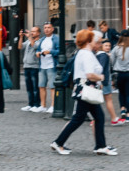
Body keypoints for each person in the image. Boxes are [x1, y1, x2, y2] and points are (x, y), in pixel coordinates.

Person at [49, 28, 117, 156]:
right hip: (87, 89)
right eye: (93, 39)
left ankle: (100, 146)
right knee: (80, 118)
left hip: (85, 89)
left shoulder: (83, 53)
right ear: (88, 40)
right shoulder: (86, 54)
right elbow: (90, 74)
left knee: (96, 117)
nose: (96, 42)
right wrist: (101, 77)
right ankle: (59, 142)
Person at [36, 22, 59, 113]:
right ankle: (43, 105)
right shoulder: (42, 39)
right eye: (45, 28)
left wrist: (50, 52)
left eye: (49, 27)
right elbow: (38, 50)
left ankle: (53, 105)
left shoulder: (56, 39)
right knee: (41, 86)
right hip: (42, 65)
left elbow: (60, 51)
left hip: (51, 65)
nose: (47, 29)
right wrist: (38, 53)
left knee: (52, 87)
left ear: (52, 29)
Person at [18, 25, 41, 111]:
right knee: (29, 87)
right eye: (31, 31)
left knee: (35, 87)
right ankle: (30, 104)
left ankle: (37, 104)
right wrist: (20, 37)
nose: (32, 33)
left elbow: (35, 46)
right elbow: (20, 47)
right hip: (26, 66)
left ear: (38, 33)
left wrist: (30, 38)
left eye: (34, 31)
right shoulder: (28, 41)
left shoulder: (39, 41)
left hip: (34, 66)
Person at [96, 39, 118, 125]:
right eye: (106, 46)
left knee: (99, 101)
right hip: (104, 81)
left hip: (103, 80)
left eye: (109, 46)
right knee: (108, 99)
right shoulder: (104, 55)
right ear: (102, 46)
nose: (108, 47)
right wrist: (101, 81)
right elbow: (101, 69)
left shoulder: (100, 55)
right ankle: (114, 118)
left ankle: (113, 118)